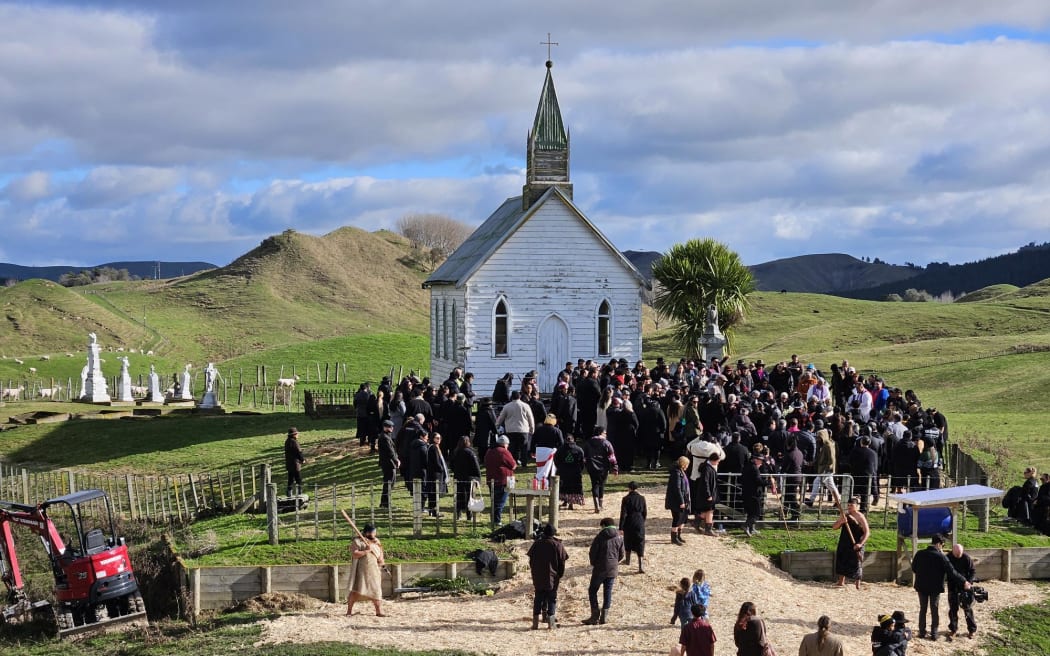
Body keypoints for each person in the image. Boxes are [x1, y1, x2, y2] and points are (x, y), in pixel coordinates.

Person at [911, 533, 970, 641]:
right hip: (935, 587)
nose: (942, 547)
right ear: (939, 544)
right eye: (942, 545)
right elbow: (952, 572)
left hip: (922, 586)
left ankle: (922, 632)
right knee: (934, 609)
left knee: (922, 609)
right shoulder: (941, 557)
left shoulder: (919, 553)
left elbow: (914, 568)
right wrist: (964, 581)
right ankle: (934, 633)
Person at [526, 523, 568, 631]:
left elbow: (531, 560)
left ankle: (535, 623)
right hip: (552, 576)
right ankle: (551, 623)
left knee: (538, 597)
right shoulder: (557, 545)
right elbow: (562, 562)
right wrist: (560, 574)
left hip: (538, 576)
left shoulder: (537, 543)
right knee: (552, 598)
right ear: (554, 533)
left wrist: (535, 572)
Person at [583, 517, 624, 626]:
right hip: (612, 568)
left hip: (600, 568)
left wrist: (594, 563)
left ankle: (595, 615)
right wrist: (615, 561)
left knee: (592, 590)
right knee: (608, 591)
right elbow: (622, 554)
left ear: (604, 525)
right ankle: (604, 616)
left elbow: (593, 553)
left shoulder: (600, 537)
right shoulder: (619, 537)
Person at [345, 523, 385, 617]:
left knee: (376, 590)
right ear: (367, 533)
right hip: (361, 570)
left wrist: (381, 559)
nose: (375, 534)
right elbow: (355, 554)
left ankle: (379, 611)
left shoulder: (376, 541)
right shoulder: (357, 541)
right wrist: (366, 551)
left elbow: (380, 551)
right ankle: (349, 611)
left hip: (374, 570)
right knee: (356, 590)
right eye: (373, 532)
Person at [832, 496, 870, 588]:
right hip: (845, 542)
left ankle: (857, 585)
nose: (849, 507)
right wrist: (841, 521)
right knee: (842, 560)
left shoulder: (860, 516)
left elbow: (867, 532)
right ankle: (841, 582)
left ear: (857, 506)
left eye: (851, 505)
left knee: (857, 563)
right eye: (848, 505)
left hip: (856, 543)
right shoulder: (845, 515)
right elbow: (834, 527)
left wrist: (860, 544)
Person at [946, 543, 977, 641]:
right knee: (953, 609)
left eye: (960, 554)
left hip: (965, 587)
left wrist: (969, 582)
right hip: (952, 586)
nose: (959, 556)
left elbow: (972, 571)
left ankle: (972, 630)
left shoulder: (966, 558)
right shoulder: (948, 557)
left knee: (967, 609)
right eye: (957, 554)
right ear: (953, 551)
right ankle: (953, 629)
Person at [583, 426, 618, 513]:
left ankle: (596, 505)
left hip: (591, 467)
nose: (606, 435)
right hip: (603, 467)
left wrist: (585, 465)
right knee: (601, 485)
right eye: (605, 433)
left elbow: (584, 457)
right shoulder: (606, 443)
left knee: (594, 484)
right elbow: (611, 457)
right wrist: (615, 467)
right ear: (601, 433)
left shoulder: (588, 442)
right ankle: (600, 504)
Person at [484, 435, 516, 525]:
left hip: (491, 479)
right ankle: (497, 520)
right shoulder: (504, 451)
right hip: (503, 479)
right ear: (504, 444)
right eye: (507, 444)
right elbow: (513, 464)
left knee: (494, 501)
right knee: (500, 501)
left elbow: (485, 462)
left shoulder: (489, 451)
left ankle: (494, 519)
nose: (508, 446)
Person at [497, 390, 535, 466]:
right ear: (519, 396)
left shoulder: (507, 406)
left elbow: (501, 417)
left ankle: (513, 462)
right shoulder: (525, 406)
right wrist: (532, 428)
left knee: (512, 448)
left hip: (511, 430)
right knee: (523, 447)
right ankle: (524, 463)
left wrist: (497, 425)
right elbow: (530, 418)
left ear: (512, 397)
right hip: (523, 429)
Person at [618, 481, 647, 573]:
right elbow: (645, 512)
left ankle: (628, 560)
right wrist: (642, 521)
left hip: (629, 521)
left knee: (628, 540)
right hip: (639, 521)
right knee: (640, 542)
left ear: (629, 488)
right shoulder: (642, 498)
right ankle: (640, 566)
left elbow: (623, 514)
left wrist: (621, 527)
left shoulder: (626, 499)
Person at [451, 435, 481, 521]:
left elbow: (452, 465)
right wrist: (478, 478)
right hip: (469, 478)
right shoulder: (470, 452)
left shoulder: (455, 452)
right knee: (469, 497)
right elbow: (476, 466)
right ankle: (469, 515)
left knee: (459, 496)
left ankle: (458, 514)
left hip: (458, 477)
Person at [554, 434, 586, 510]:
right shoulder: (579, 449)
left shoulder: (560, 449)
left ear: (565, 440)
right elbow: (582, 462)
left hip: (563, 471)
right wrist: (579, 469)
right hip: (575, 472)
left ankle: (565, 501)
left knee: (564, 487)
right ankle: (570, 503)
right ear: (573, 440)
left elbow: (556, 460)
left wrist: (560, 468)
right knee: (573, 488)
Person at [666, 456, 692, 545]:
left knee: (683, 518)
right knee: (677, 518)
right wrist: (681, 501)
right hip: (677, 500)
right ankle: (674, 537)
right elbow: (677, 488)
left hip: (685, 498)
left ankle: (679, 535)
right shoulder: (676, 473)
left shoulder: (681, 472)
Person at [693, 453, 720, 536]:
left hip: (709, 493)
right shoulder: (707, 468)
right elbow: (705, 482)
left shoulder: (707, 467)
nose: (718, 463)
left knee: (706, 511)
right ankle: (708, 529)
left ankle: (697, 522)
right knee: (709, 510)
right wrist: (708, 495)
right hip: (707, 494)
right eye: (718, 461)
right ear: (714, 460)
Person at [425, 433, 449, 516]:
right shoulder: (433, 447)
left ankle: (432, 511)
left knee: (433, 494)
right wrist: (441, 469)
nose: (439, 440)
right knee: (435, 493)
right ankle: (435, 511)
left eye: (440, 438)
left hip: (434, 473)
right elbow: (436, 462)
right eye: (437, 438)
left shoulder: (434, 447)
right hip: (436, 474)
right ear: (433, 438)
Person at [377, 420, 400, 508]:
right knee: (389, 482)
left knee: (390, 482)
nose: (392, 428)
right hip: (388, 463)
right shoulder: (384, 437)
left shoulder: (386, 436)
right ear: (385, 427)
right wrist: (396, 460)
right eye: (390, 427)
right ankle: (386, 503)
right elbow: (390, 451)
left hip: (388, 462)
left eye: (392, 427)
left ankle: (384, 502)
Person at [283, 427, 305, 497]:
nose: (298, 435)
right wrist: (302, 460)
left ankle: (289, 494)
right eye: (297, 434)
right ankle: (299, 494)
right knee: (298, 479)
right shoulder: (294, 442)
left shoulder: (287, 441)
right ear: (294, 434)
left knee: (290, 479)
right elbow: (298, 452)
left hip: (289, 464)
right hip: (295, 464)